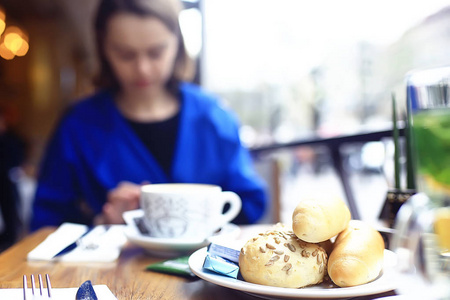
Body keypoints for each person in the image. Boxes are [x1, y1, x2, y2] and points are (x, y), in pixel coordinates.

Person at [30, 0, 267, 230]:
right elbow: (45, 221)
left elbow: (252, 202)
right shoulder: (79, 125)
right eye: (125, 54)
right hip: (110, 268)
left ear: (178, 44)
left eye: (156, 52)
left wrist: (201, 215)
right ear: (103, 47)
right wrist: (102, 222)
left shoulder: (213, 116)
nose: (142, 68)